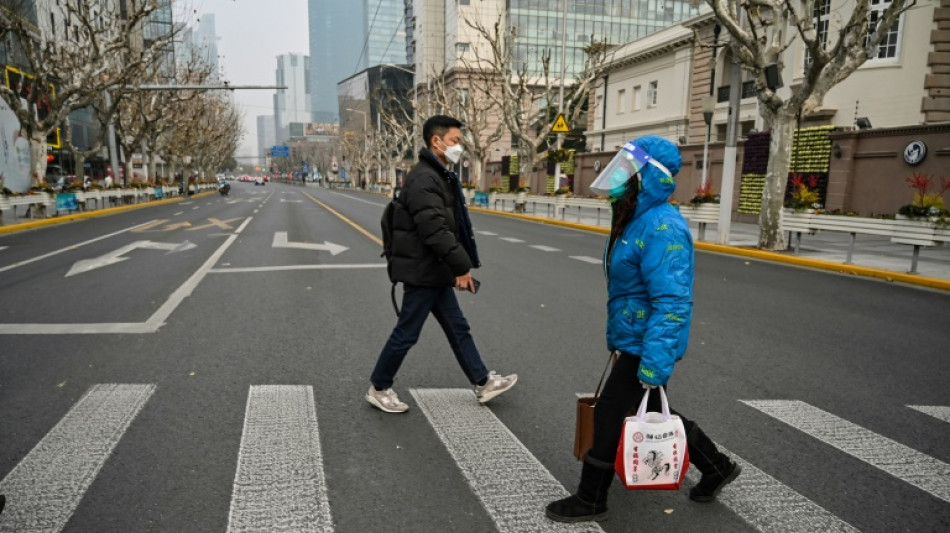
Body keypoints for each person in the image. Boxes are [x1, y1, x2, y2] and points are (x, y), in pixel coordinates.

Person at [545, 136, 740, 523]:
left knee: (610, 413)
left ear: (648, 177)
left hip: (647, 340)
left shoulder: (663, 227)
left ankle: (591, 497)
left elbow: (672, 302)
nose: (617, 178)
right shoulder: (637, 218)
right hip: (637, 335)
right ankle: (716, 466)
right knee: (647, 407)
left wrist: (654, 360)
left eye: (626, 171)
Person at [366, 115, 517, 413]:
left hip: (433, 269)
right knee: (407, 332)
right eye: (454, 141)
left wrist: (454, 267)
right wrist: (460, 267)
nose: (459, 146)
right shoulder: (425, 178)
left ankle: (482, 381)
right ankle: (379, 388)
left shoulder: (436, 174)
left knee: (457, 327)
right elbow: (435, 229)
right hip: (423, 271)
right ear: (436, 141)